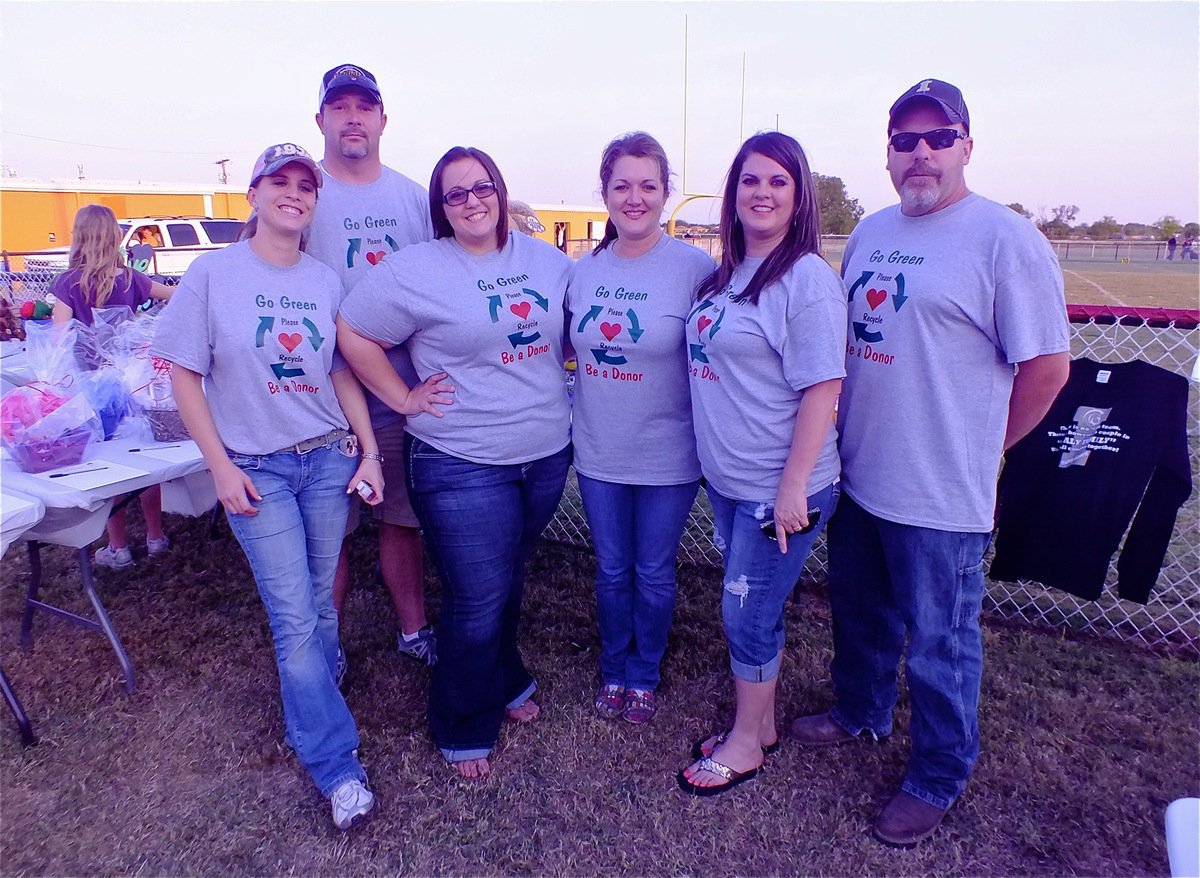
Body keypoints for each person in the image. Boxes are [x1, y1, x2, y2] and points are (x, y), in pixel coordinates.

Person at [789, 79, 1070, 846]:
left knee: (942, 645)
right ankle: (859, 712)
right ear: (887, 155)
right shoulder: (874, 231)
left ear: (966, 147)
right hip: (864, 474)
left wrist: (983, 449)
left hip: (942, 493)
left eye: (937, 137)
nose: (920, 152)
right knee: (861, 616)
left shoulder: (1006, 240)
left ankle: (939, 773)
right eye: (904, 140)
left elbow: (1046, 370)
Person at [150, 143, 385, 831]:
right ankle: (337, 765)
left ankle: (317, 675)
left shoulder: (324, 279)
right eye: (278, 182)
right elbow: (184, 372)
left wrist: (368, 451)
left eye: (304, 185)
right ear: (252, 194)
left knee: (318, 598)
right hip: (257, 471)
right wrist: (220, 466)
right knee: (294, 615)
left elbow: (341, 372)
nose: (293, 193)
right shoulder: (212, 274)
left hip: (325, 459)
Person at [337, 146, 572, 779]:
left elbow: (575, 334)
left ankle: (506, 675)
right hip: (462, 459)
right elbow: (352, 331)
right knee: (477, 596)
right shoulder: (417, 269)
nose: (472, 201)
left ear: (500, 189)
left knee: (509, 579)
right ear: (441, 208)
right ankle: (462, 721)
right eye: (455, 193)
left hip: (544, 455)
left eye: (482, 187)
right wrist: (402, 396)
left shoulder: (547, 261)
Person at [677, 131, 848, 796]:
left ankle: (746, 744)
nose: (763, 192)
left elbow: (822, 389)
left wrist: (793, 486)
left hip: (781, 487)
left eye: (779, 180)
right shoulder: (728, 274)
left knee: (746, 614)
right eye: (751, 179)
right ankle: (764, 723)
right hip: (730, 478)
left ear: (800, 194)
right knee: (748, 602)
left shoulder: (805, 279)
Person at [565, 132, 714, 724]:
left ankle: (644, 673)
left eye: (647, 186)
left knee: (652, 570)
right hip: (599, 450)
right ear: (604, 193)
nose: (634, 198)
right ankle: (613, 668)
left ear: (665, 192)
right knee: (610, 568)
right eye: (621, 186)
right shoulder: (582, 272)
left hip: (667, 454)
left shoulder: (696, 269)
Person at [304, 63, 438, 679]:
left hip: (395, 384)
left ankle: (414, 629)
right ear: (321, 120)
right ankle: (326, 643)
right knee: (326, 527)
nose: (353, 117)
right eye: (340, 107)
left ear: (384, 120)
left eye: (365, 107)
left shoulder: (413, 197)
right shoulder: (303, 195)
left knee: (400, 517)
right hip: (317, 391)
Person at [50, 204, 173, 570]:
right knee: (142, 456)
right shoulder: (130, 280)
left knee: (110, 464)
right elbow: (176, 297)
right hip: (134, 381)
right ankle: (155, 536)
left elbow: (58, 338)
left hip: (93, 387)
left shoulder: (66, 283)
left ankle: (117, 546)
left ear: (79, 236)